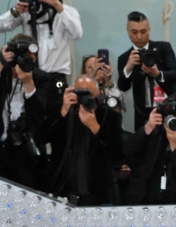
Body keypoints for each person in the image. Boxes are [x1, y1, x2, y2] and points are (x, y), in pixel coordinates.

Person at [0, 35, 54, 190]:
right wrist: (0, 63)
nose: (24, 62)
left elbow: (38, 115)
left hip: (26, 151)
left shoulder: (42, 78)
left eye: (30, 58)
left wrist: (28, 83)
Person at [38, 75, 123, 205]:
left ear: (99, 94)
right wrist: (62, 111)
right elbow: (41, 137)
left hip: (96, 193)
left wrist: (95, 128)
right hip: (61, 190)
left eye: (90, 94)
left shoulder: (110, 116)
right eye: (81, 94)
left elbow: (117, 155)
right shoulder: (63, 112)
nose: (86, 99)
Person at [0, 0, 82, 81]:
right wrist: (16, 11)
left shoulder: (68, 12)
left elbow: (77, 34)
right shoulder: (27, 9)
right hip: (30, 75)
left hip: (57, 78)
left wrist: (58, 7)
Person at [122, 95, 176, 205]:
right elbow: (126, 150)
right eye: (172, 119)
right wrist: (147, 128)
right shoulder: (154, 134)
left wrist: (175, 143)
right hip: (144, 202)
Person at [117, 12, 176, 132]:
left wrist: (157, 74)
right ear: (127, 31)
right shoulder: (125, 57)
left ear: (149, 29)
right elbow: (123, 87)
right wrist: (128, 67)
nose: (139, 37)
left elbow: (175, 75)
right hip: (143, 112)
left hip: (170, 105)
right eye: (134, 32)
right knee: (144, 146)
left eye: (143, 31)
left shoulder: (163, 48)